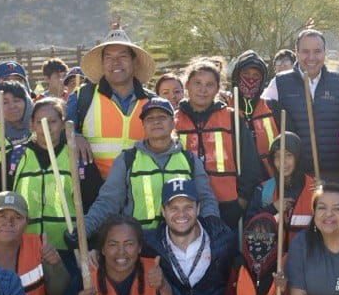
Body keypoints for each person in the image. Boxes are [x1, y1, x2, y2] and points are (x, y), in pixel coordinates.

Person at [82, 97, 217, 240]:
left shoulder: (190, 160)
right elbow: (108, 202)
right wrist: (84, 229)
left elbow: (206, 199)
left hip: (181, 243)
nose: (156, 122)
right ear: (143, 126)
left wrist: (212, 224)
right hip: (139, 242)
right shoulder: (127, 160)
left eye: (162, 117)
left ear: (173, 122)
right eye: (149, 119)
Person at [7, 97, 104, 255]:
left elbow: (95, 203)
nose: (47, 128)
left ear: (63, 124)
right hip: (24, 248)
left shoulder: (77, 157)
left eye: (52, 121)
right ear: (31, 125)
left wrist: (90, 241)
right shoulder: (16, 157)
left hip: (69, 249)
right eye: (40, 122)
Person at [175, 60, 262, 226]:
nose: (203, 89)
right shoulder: (174, 120)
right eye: (197, 83)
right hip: (184, 204)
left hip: (228, 205)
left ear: (217, 88)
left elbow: (250, 163)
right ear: (187, 85)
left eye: (209, 84)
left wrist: (241, 201)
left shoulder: (232, 118)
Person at [66, 27, 157, 177]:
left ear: (134, 61)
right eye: (109, 57)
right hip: (95, 192)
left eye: (122, 56)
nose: (116, 62)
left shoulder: (152, 102)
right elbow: (63, 131)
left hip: (140, 190)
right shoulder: (81, 97)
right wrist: (75, 136)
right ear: (102, 63)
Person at [262, 28, 339, 183]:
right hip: (297, 176)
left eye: (317, 51)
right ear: (297, 53)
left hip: (333, 173)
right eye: (305, 51)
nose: (311, 57)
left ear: (325, 53)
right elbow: (259, 114)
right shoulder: (280, 83)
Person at [248, 132, 316, 251]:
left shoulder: (314, 188)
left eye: (288, 155)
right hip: (271, 261)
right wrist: (272, 209)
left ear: (298, 158)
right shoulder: (264, 190)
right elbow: (249, 228)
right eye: (277, 156)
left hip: (305, 260)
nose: (282, 161)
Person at [229, 50, 279, 177]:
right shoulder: (224, 108)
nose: (251, 79)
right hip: (235, 183)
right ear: (236, 76)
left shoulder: (273, 107)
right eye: (245, 74)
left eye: (256, 76)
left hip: (269, 181)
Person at [0, 81, 33, 187]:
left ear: (27, 102)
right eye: (5, 102)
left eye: (17, 100)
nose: (12, 106)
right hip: (1, 199)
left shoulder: (41, 130)